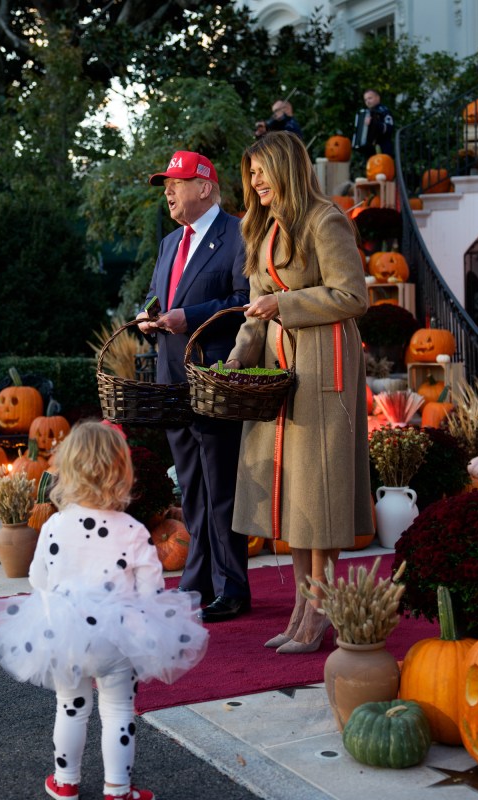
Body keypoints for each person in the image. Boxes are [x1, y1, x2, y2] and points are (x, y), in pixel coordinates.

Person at [0, 422, 208, 800]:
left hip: (64, 635)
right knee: (119, 711)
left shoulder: (54, 525)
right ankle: (118, 788)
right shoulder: (132, 529)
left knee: (70, 707)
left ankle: (65, 781)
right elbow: (151, 589)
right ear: (122, 473)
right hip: (117, 638)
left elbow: (38, 578)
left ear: (67, 472)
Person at [224, 131, 373, 654]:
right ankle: (301, 609)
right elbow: (256, 307)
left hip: (323, 367)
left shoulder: (324, 220)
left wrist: (285, 307)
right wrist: (239, 355)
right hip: (278, 370)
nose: (255, 181)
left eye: (262, 171)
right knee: (293, 499)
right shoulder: (263, 231)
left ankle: (318, 613)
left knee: (319, 492)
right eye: (251, 174)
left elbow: (353, 296)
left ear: (285, 168)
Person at [136, 150, 251, 623]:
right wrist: (148, 314)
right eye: (165, 184)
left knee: (221, 485)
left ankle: (232, 586)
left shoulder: (239, 235)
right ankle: (196, 582)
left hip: (216, 377)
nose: (168, 191)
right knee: (191, 487)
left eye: (177, 182)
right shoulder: (169, 243)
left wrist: (192, 318)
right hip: (172, 381)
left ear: (205, 187)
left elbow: (246, 302)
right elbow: (157, 295)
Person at [351, 89, 395, 159]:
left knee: (383, 167)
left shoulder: (384, 111)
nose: (367, 101)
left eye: (370, 98)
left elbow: (389, 129)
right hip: (370, 150)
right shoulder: (366, 113)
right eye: (365, 100)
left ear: (378, 98)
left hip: (383, 148)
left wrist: (373, 123)